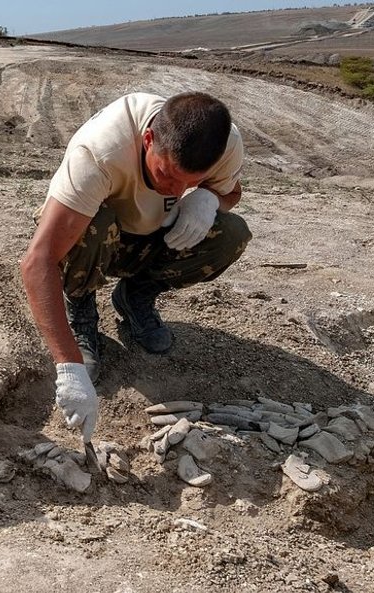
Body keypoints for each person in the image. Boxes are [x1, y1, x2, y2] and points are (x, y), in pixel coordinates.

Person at [20, 91, 251, 443]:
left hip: (156, 235)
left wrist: (207, 199)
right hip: (98, 237)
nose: (177, 189)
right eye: (168, 175)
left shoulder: (224, 143)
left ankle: (136, 298)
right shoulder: (99, 153)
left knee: (230, 233)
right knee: (94, 222)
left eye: (191, 181)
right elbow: (38, 260)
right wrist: (68, 367)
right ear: (148, 140)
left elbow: (231, 192)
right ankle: (82, 311)